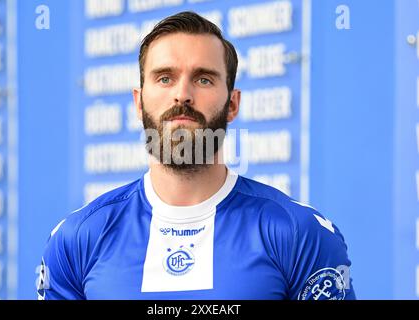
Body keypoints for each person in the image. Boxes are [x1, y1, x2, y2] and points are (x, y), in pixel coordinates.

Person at [38, 11, 356, 300]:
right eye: (165, 77)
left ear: (233, 104)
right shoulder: (78, 239)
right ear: (138, 102)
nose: (183, 94)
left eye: (203, 78)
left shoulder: (299, 233)